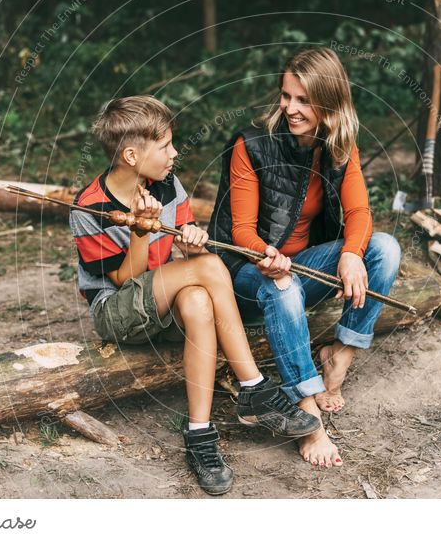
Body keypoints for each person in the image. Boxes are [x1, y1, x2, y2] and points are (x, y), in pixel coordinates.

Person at [69, 95, 320, 495]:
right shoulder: (89, 207)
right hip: (116, 312)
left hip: (167, 302)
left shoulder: (167, 186)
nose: (174, 153)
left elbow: (194, 267)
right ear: (132, 155)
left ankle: (199, 434)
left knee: (199, 299)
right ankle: (253, 386)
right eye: (166, 145)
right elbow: (122, 281)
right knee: (204, 272)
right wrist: (140, 232)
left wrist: (195, 244)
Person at [208, 48, 402, 468]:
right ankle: (308, 416)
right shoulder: (251, 144)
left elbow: (359, 214)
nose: (290, 108)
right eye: (285, 96)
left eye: (303, 100)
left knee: (383, 248)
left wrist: (351, 254)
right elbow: (240, 232)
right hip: (245, 271)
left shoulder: (338, 145)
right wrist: (268, 256)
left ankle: (340, 357)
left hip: (303, 266)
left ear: (328, 103)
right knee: (283, 284)